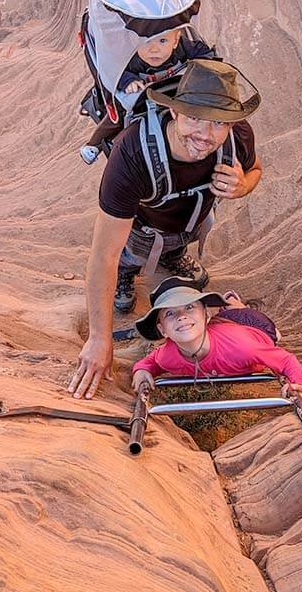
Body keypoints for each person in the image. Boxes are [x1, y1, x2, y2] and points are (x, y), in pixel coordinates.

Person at [67, 59, 263, 399]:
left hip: (190, 224)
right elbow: (103, 255)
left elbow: (256, 168)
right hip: (141, 227)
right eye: (194, 117)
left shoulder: (238, 136)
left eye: (218, 122)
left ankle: (172, 257)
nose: (205, 135)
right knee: (129, 253)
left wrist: (243, 184)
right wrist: (100, 338)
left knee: (175, 246)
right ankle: (131, 272)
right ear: (174, 112)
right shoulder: (132, 155)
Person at [130, 277, 302, 400]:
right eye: (170, 313)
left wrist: (301, 385)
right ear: (163, 330)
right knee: (226, 318)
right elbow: (150, 362)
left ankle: (232, 303)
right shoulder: (167, 354)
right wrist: (141, 370)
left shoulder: (244, 348)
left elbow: (286, 360)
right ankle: (227, 306)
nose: (181, 316)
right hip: (220, 327)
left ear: (206, 315)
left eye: (190, 307)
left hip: (252, 326)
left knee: (258, 324)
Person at [79, 28, 217, 164]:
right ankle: (94, 145)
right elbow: (113, 69)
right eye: (145, 42)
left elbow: (202, 51)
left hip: (176, 89)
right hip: (138, 95)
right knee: (118, 114)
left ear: (175, 41)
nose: (154, 49)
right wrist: (127, 80)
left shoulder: (181, 45)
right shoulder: (130, 57)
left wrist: (206, 63)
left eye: (162, 41)